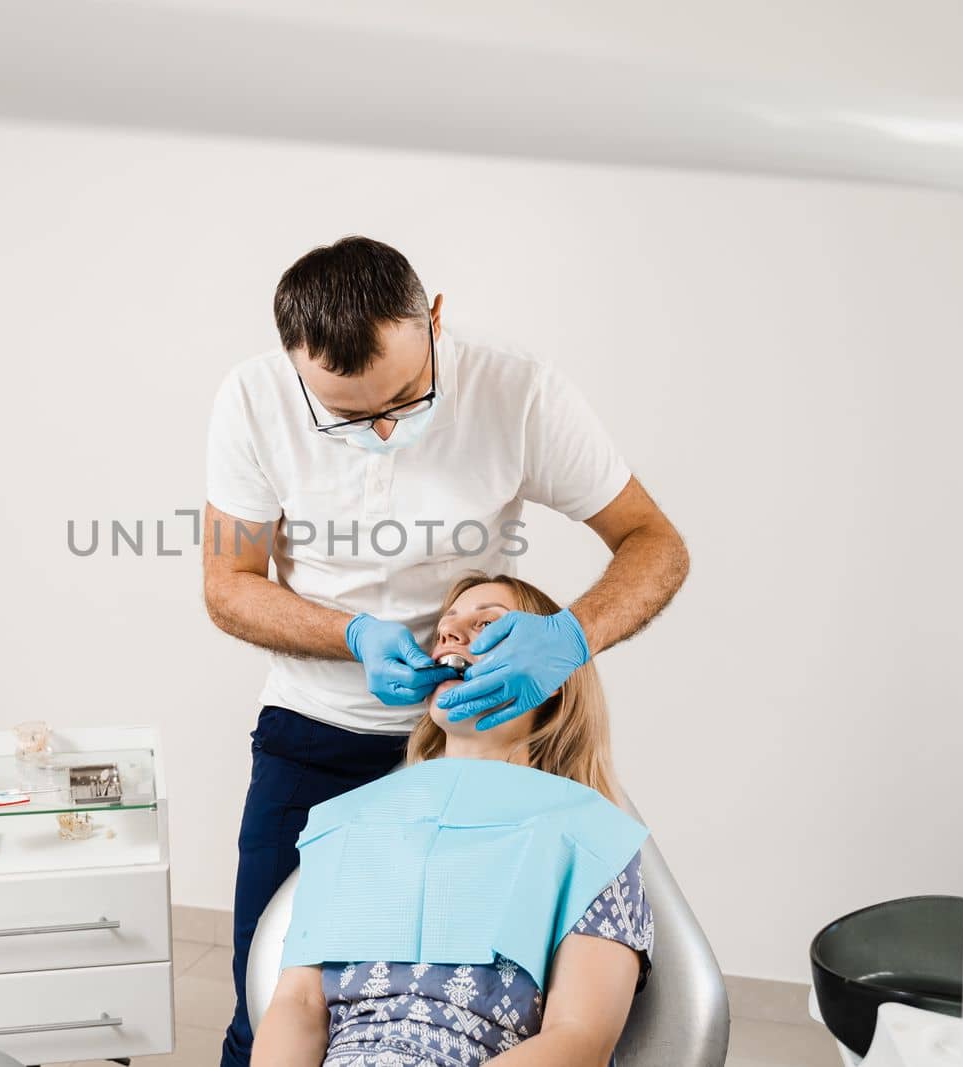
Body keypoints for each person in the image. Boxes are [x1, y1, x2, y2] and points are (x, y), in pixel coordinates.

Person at [205, 236, 687, 1066]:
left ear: (434, 319)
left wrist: (569, 635)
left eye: (405, 396)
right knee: (268, 1009)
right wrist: (349, 634)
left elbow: (655, 542)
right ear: (295, 368)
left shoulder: (522, 397)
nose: (384, 426)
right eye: (348, 415)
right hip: (316, 735)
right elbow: (229, 583)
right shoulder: (252, 400)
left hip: (494, 768)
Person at [251, 573, 653, 1067]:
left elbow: (578, 1041)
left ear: (552, 681)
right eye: (446, 627)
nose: (451, 635)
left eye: (487, 624)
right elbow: (299, 1004)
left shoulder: (591, 842)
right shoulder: (348, 822)